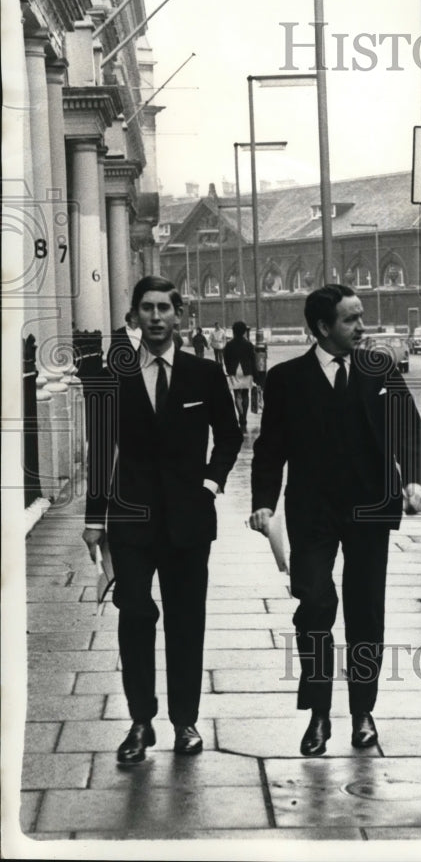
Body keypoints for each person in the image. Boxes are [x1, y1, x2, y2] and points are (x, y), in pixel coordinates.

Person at [250, 284, 421, 756]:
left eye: (361, 316)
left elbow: (408, 427)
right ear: (323, 327)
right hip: (313, 512)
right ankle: (318, 713)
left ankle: (363, 711)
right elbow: (270, 447)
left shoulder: (378, 368)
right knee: (315, 605)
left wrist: (414, 480)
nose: (361, 326)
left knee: (365, 611)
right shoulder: (287, 379)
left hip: (370, 508)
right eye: (351, 319)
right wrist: (263, 501)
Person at [83, 276, 243, 765]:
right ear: (134, 316)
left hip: (189, 521)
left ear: (180, 316)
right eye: (146, 309)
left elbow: (231, 436)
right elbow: (101, 445)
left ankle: (185, 722)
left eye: (164, 309)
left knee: (186, 620)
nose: (155, 317)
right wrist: (95, 517)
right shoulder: (116, 373)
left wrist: (210, 484)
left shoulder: (203, 373)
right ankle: (140, 721)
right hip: (130, 519)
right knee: (134, 614)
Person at [223, 321, 257, 432]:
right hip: (246, 371)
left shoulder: (229, 344)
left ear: (233, 331)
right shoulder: (248, 344)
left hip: (234, 371)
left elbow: (226, 359)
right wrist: (254, 373)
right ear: (243, 331)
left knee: (237, 394)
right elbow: (253, 359)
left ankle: (240, 414)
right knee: (245, 394)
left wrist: (229, 370)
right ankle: (244, 416)